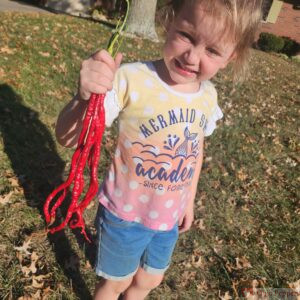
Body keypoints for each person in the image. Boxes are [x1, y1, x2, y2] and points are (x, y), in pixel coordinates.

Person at [55, 0, 263, 299]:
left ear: (231, 57)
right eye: (186, 36)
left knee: (148, 281)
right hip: (125, 215)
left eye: (213, 50)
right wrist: (82, 97)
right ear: (169, 21)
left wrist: (188, 200)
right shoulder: (131, 80)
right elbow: (69, 138)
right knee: (115, 284)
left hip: (168, 217)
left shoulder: (208, 95)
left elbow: (195, 149)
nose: (192, 57)